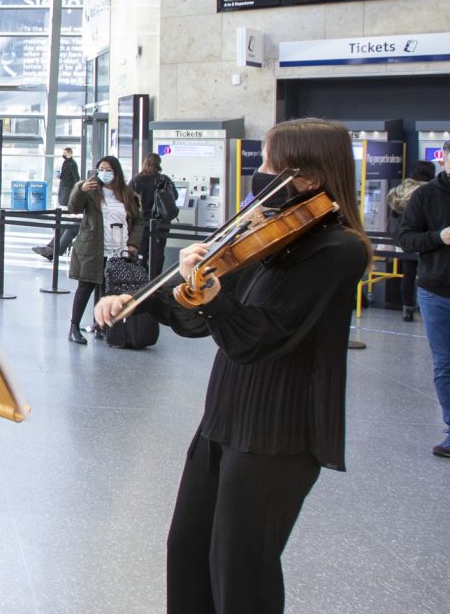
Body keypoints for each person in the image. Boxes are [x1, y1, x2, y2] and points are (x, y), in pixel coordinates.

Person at [95, 118, 372, 612]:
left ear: (306, 177)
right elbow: (201, 320)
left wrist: (214, 296)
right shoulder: (270, 235)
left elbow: (258, 337)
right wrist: (136, 299)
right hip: (225, 416)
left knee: (241, 570)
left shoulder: (338, 250)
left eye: (269, 164)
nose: (259, 174)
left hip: (279, 431)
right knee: (187, 548)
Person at [396, 143, 450, 458]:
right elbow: (405, 239)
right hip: (436, 291)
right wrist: (438, 237)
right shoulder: (426, 195)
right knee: (445, 364)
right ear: (444, 158)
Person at [64, 155, 143, 344]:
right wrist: (80, 190)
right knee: (86, 287)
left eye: (109, 170)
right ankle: (74, 327)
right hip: (92, 248)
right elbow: (73, 207)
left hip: (118, 250)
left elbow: (138, 220)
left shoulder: (127, 194)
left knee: (109, 288)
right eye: (101, 169)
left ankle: (101, 325)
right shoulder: (91, 191)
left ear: (116, 172)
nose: (104, 173)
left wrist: (133, 244)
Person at [388, 161, 434, 322]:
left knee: (408, 273)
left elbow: (394, 213)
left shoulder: (403, 187)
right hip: (424, 237)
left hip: (404, 236)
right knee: (427, 271)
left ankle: (407, 309)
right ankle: (428, 309)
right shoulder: (430, 190)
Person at [133, 152, 181, 272]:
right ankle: (155, 282)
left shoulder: (136, 180)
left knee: (141, 251)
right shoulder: (164, 179)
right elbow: (175, 196)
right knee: (158, 252)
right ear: (158, 164)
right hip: (161, 222)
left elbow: (129, 201)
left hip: (142, 222)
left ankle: (141, 281)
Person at [36, 146, 83, 260]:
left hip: (68, 190)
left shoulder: (72, 164)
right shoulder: (65, 163)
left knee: (71, 226)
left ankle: (53, 251)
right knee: (65, 225)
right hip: (65, 189)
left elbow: (76, 178)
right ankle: (50, 248)